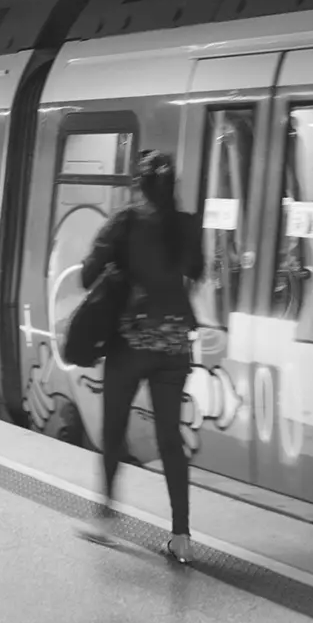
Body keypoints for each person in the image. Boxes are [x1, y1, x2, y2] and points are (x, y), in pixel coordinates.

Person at [76, 150, 204, 565]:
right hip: (175, 346)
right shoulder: (185, 225)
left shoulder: (126, 220)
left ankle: (106, 521)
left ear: (138, 185)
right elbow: (197, 270)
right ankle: (181, 537)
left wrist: (115, 266)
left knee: (114, 431)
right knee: (170, 440)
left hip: (131, 344)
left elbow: (86, 275)